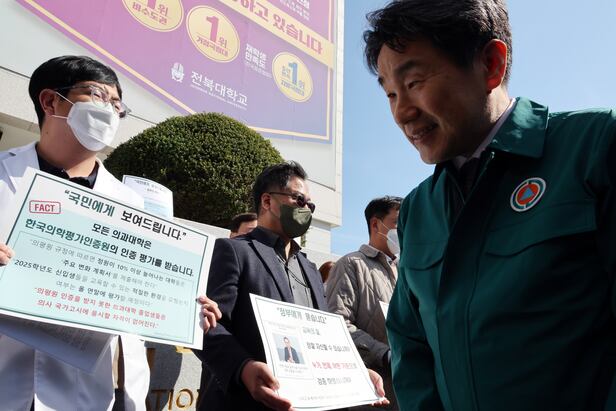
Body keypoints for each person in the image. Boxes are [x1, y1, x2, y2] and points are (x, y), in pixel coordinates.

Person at [363, 1, 616, 410]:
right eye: (390, 93)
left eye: (414, 82)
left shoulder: (594, 146)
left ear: (491, 64)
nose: (401, 112)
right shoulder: (417, 210)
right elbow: (411, 346)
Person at [0, 55, 221, 411]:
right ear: (51, 101)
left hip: (90, 393)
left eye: (117, 105)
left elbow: (143, 294)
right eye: (97, 95)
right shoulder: (4, 175)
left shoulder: (130, 204)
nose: (110, 111)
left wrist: (186, 309)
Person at [195, 161, 388, 411]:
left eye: (310, 205)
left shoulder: (310, 269)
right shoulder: (233, 251)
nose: (306, 209)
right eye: (299, 200)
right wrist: (243, 367)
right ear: (267, 201)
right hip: (245, 403)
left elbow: (324, 336)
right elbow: (205, 324)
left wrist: (356, 372)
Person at [326, 196, 402, 410]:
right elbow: (338, 324)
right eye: (398, 222)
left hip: (406, 387)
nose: (404, 229)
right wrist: (385, 354)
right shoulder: (351, 264)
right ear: (375, 224)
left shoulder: (406, 269)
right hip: (371, 391)